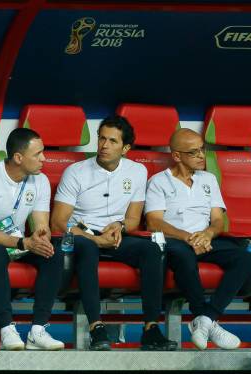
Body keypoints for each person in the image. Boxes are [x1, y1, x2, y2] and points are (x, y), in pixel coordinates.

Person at [50, 115, 177, 351]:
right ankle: (96, 327)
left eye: (112, 141)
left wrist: (119, 226)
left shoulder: (137, 172)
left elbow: (133, 220)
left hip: (115, 236)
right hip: (81, 235)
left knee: (152, 249)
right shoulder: (75, 171)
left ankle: (151, 328)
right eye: (101, 139)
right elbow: (58, 222)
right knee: (87, 247)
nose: (104, 146)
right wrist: (95, 239)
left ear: (126, 148)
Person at [145, 128, 251, 350]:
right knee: (183, 256)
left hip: (205, 240)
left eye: (202, 150)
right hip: (174, 242)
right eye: (194, 152)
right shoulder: (159, 181)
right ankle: (204, 316)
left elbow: (217, 220)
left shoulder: (209, 179)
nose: (202, 156)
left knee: (244, 256)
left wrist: (207, 234)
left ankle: (205, 319)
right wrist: (188, 238)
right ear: (177, 156)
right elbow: (154, 222)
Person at [0, 128, 65, 350]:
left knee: (53, 252)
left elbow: (42, 224)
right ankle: (7, 329)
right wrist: (23, 243)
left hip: (18, 243)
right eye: (38, 154)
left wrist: (42, 238)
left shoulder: (39, 181)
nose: (44, 159)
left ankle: (37, 331)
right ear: (18, 157)